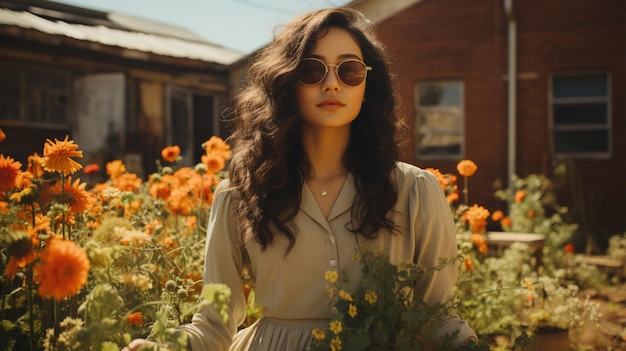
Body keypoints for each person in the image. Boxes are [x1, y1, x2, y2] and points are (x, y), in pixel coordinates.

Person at [126, 6, 477, 351]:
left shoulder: (415, 192)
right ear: (287, 82)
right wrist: (164, 346)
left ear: (366, 87)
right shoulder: (240, 195)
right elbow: (214, 325)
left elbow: (437, 318)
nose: (331, 84)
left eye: (349, 71)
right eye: (311, 70)